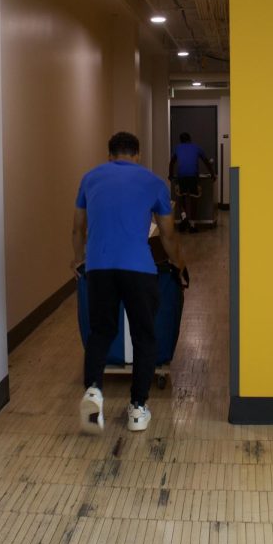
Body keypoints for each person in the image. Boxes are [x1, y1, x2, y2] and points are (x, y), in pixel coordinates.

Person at [72, 131, 185, 435]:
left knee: (101, 331)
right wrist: (179, 264)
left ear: (110, 154)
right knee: (144, 336)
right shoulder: (153, 182)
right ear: (137, 154)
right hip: (138, 269)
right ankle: (137, 408)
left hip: (99, 267)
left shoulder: (90, 178)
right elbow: (167, 234)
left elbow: (78, 229)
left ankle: (94, 390)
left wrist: (78, 260)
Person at [168, 131, 216, 232]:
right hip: (193, 177)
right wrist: (212, 173)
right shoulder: (196, 147)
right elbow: (206, 161)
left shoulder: (178, 147)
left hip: (182, 176)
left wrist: (170, 175)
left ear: (181, 141)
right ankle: (193, 225)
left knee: (181, 198)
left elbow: (172, 162)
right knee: (194, 200)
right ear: (190, 139)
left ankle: (184, 217)